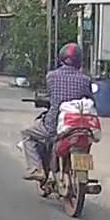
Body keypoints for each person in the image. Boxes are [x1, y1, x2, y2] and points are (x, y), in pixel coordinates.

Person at [21, 42, 94, 181]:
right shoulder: (85, 79)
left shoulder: (51, 76)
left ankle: (36, 168)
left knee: (26, 133)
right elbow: (90, 98)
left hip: (54, 124)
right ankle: (82, 173)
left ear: (61, 58)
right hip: (78, 124)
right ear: (79, 60)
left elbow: (50, 95)